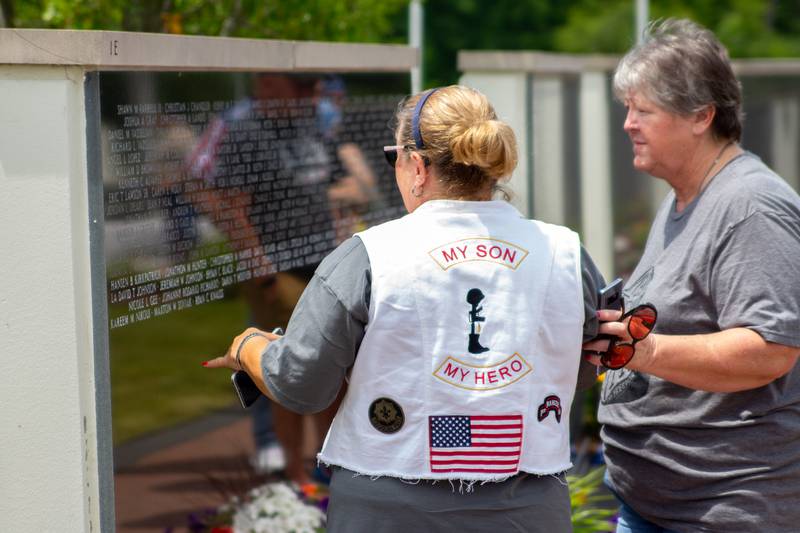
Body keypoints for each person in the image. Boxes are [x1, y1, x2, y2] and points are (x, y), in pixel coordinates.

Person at [205, 85, 606, 531]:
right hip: (527, 508)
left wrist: (249, 347)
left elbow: (303, 383)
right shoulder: (564, 252)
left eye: (392, 155)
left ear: (417, 166)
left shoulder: (368, 255)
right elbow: (585, 366)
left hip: (390, 509)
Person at [583, 18, 800, 533]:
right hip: (662, 506)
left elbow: (771, 348)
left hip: (723, 510)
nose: (628, 124)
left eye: (644, 110)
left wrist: (645, 351)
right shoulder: (687, 194)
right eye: (628, 109)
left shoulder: (750, 206)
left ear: (702, 115)